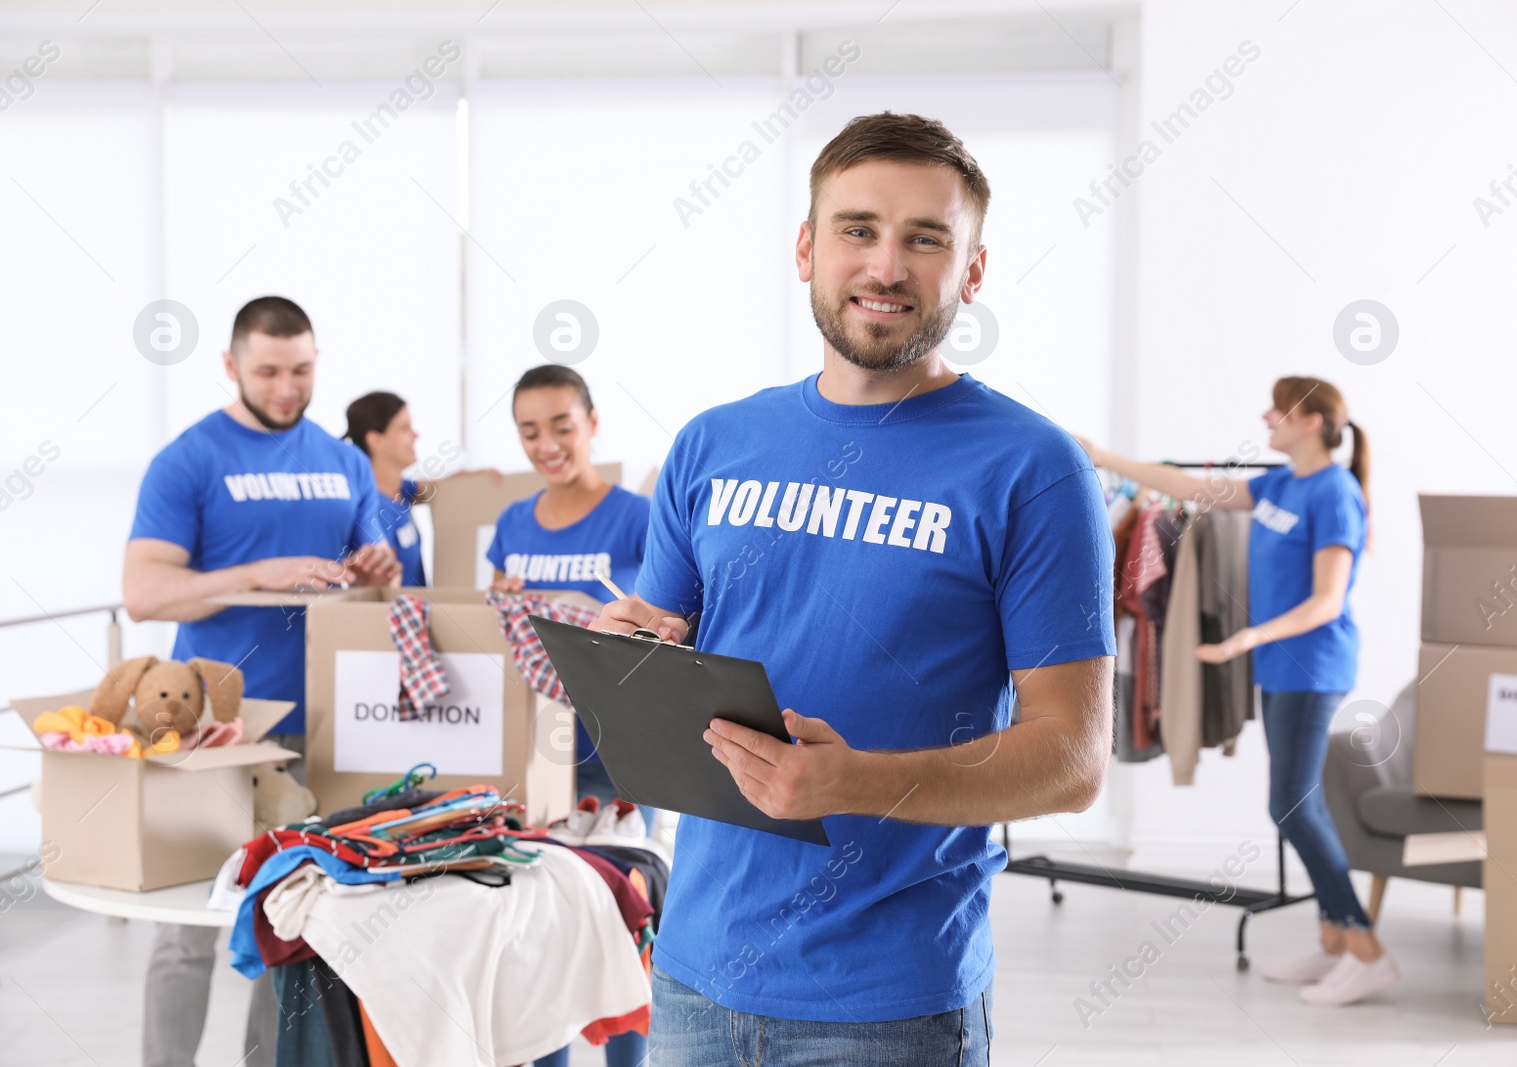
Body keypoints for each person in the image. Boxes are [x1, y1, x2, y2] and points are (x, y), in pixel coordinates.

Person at [591, 112, 1115, 1066]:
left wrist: (855, 781)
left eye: (927, 239)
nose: (886, 266)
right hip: (693, 972)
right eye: (858, 229)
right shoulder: (711, 444)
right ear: (806, 247)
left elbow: (1073, 760)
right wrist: (631, 658)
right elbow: (665, 670)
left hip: (889, 1004)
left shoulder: (1034, 470)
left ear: (973, 272)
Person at [122, 296, 401, 1067]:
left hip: (327, 729)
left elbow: (375, 574)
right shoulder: (189, 460)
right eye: (268, 370)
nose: (287, 386)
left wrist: (380, 566)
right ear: (231, 366)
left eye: (302, 370)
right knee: (186, 931)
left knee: (293, 927)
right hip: (215, 730)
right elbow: (145, 591)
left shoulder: (344, 461)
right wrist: (257, 577)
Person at [1079, 376, 1393, 1007]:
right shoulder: (1280, 485)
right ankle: (1332, 938)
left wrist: (1246, 641)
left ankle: (1365, 948)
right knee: (1295, 805)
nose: (1266, 416)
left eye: (1280, 407)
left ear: (1310, 422)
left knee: (1293, 807)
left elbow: (1328, 600)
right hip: (1280, 668)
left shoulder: (1334, 493)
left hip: (1313, 667)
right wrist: (1105, 457)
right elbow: (1193, 489)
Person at [479, 365, 652, 1067]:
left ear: (591, 422)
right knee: (541, 922)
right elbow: (495, 630)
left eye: (561, 425)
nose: (546, 443)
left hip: (621, 746)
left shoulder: (635, 518)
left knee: (621, 915)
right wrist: (507, 595)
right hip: (541, 749)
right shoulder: (514, 524)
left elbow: (660, 618)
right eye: (529, 430)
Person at [342, 389, 503, 587]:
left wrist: (475, 478)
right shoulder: (373, 511)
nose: (416, 435)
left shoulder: (402, 491)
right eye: (405, 428)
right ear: (376, 440)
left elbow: (436, 488)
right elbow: (382, 589)